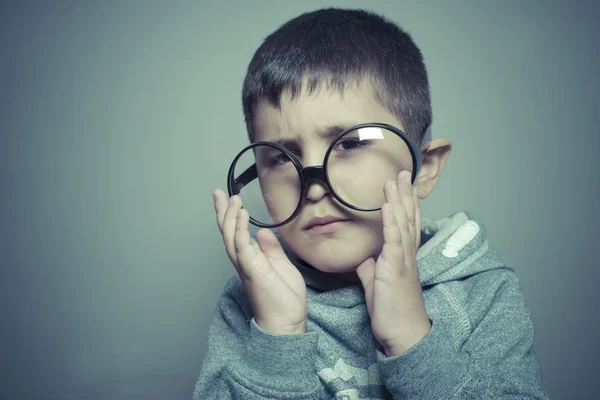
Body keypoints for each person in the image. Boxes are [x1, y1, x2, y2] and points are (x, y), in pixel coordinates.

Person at [193, 7, 548, 399]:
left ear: (424, 168)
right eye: (280, 158)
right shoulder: (248, 302)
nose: (312, 189)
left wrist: (412, 337)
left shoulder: (482, 289)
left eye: (349, 143)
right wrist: (279, 336)